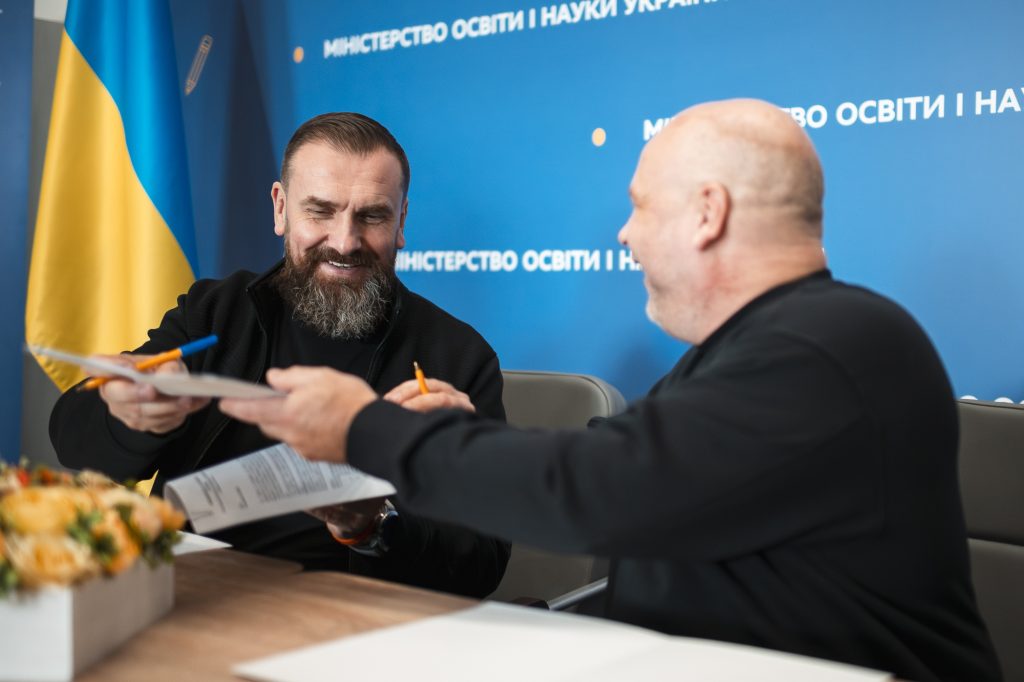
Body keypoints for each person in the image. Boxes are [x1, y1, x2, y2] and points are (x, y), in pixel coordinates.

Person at [220, 99, 1001, 681]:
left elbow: (596, 491)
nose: (624, 235)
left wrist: (364, 430)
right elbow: (607, 468)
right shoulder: (743, 356)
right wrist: (467, 447)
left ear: (707, 213)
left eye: (637, 206)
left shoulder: (836, 345)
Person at [50, 112, 510, 598]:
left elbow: (480, 565)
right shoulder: (216, 311)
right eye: (320, 211)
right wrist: (130, 415)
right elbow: (73, 440)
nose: (344, 241)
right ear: (280, 208)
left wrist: (371, 523)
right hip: (180, 592)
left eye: (371, 216)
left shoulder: (458, 357)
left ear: (401, 222)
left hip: (341, 622)